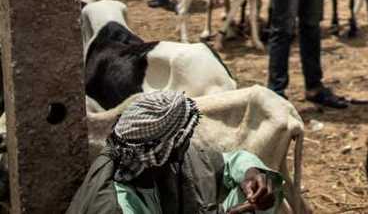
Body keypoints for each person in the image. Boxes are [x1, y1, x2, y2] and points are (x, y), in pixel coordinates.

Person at [67, 91, 281, 214]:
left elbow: (226, 162)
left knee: (264, 191)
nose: (189, 145)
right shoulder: (115, 205)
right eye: (183, 140)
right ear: (164, 150)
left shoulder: (150, 159)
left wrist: (251, 172)